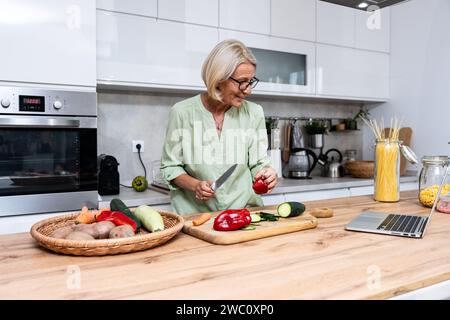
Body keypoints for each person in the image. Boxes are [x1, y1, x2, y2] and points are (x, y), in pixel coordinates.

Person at [160, 39, 278, 215]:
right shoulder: (182, 112)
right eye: (242, 81)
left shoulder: (254, 113)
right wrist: (195, 185)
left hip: (244, 213)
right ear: (219, 78)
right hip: (195, 216)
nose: (248, 90)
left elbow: (258, 162)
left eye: (251, 81)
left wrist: (267, 173)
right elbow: (170, 167)